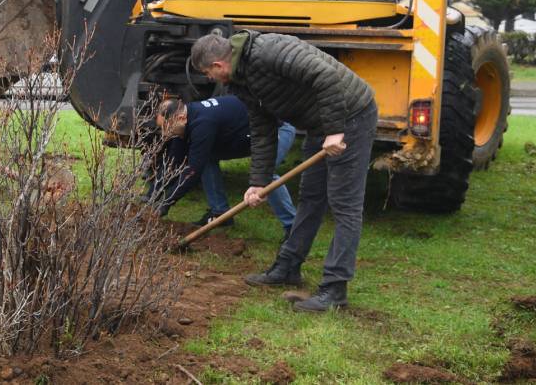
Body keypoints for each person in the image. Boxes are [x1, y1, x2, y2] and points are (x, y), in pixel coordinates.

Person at [190, 31, 377, 312]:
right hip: (320, 123)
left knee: (344, 204)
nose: (211, 79)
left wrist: (336, 130)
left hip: (351, 114)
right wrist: (258, 182)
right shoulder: (241, 81)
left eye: (208, 73)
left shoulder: (269, 51)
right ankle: (288, 267)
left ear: (218, 65)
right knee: (311, 196)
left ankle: (334, 289)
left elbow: (325, 77)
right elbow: (263, 129)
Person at [147, 97, 296, 239]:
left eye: (166, 127)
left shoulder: (202, 123)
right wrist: (152, 195)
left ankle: (292, 227)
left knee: (265, 175)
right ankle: (220, 213)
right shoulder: (186, 119)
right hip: (245, 135)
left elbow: (193, 171)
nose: (165, 133)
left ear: (180, 118)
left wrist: (166, 203)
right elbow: (173, 161)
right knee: (207, 159)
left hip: (275, 130)